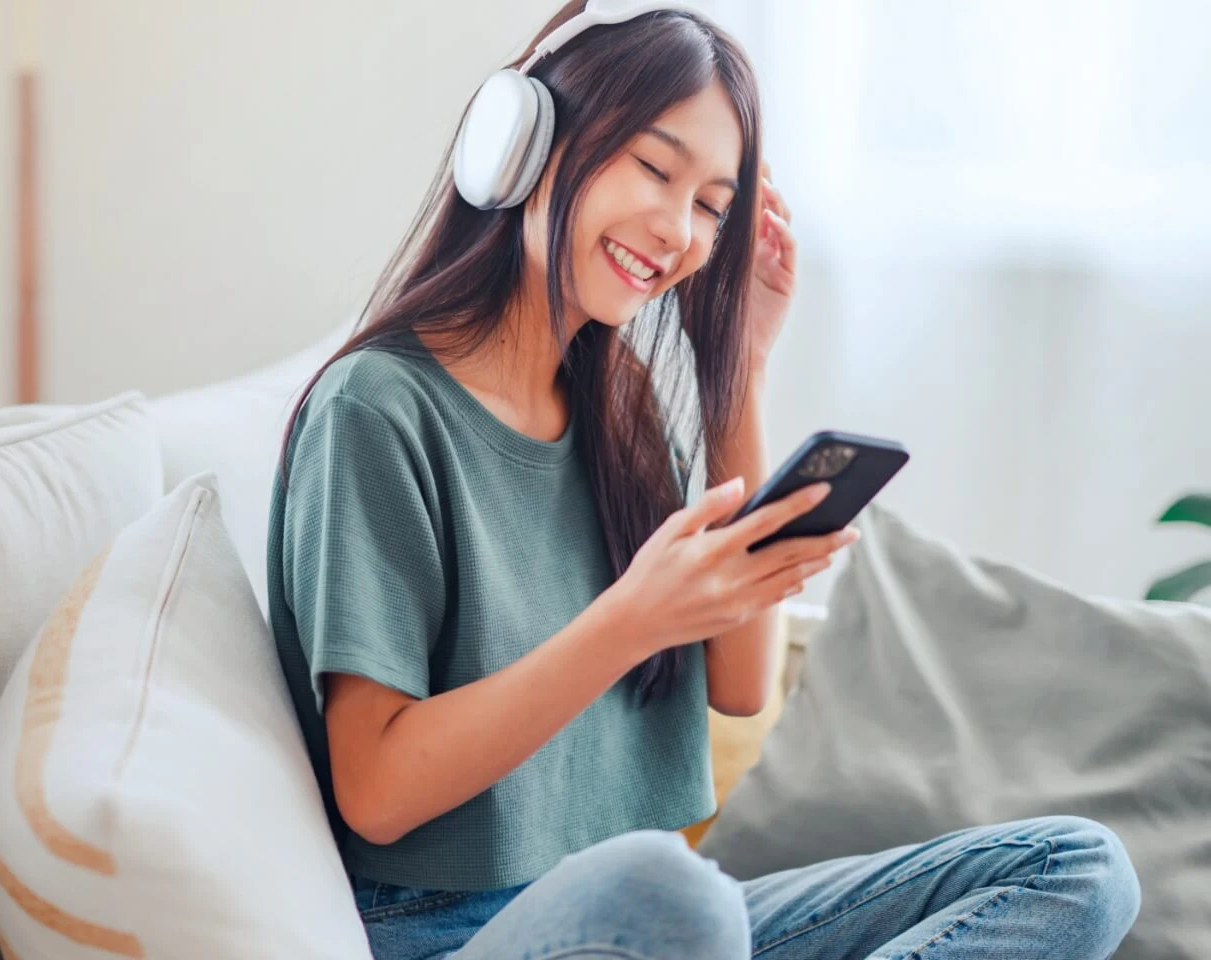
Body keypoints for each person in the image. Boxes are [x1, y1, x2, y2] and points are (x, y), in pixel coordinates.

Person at [265, 3, 1142, 958]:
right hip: (455, 929)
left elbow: (740, 681)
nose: (679, 229)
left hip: (663, 923)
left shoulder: (617, 407)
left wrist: (741, 361)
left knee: (1080, 868)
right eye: (654, 167)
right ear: (523, 144)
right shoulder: (379, 408)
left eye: (713, 205)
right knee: (670, 892)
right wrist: (630, 620)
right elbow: (378, 793)